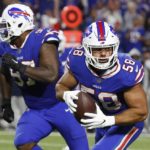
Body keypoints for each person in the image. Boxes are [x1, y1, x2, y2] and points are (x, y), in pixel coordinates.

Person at [0, 3, 89, 150]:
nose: (3, 29)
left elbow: (51, 74)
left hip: (61, 105)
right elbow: (3, 72)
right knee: (23, 143)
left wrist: (19, 66)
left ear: (20, 23)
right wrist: (6, 102)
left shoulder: (41, 39)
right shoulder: (5, 46)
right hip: (36, 109)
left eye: (7, 24)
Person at [56, 21, 148, 150]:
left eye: (108, 48)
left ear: (115, 47)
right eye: (98, 49)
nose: (104, 54)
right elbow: (61, 86)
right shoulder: (78, 61)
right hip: (99, 119)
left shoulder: (126, 72)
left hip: (126, 123)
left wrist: (108, 120)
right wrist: (66, 95)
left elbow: (141, 112)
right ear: (86, 48)